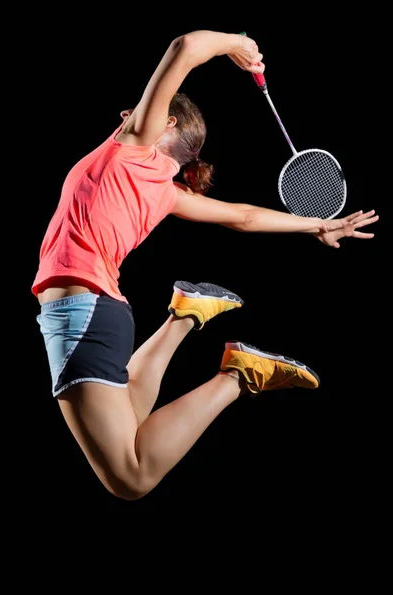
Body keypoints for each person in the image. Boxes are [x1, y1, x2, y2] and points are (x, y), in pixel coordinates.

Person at [32, 30, 379, 501]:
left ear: (166, 123)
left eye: (139, 111)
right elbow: (243, 217)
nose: (125, 114)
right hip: (101, 311)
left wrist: (236, 42)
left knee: (131, 479)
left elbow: (184, 48)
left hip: (84, 309)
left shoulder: (134, 147)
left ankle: (236, 376)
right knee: (131, 423)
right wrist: (316, 225)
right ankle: (185, 314)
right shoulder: (167, 192)